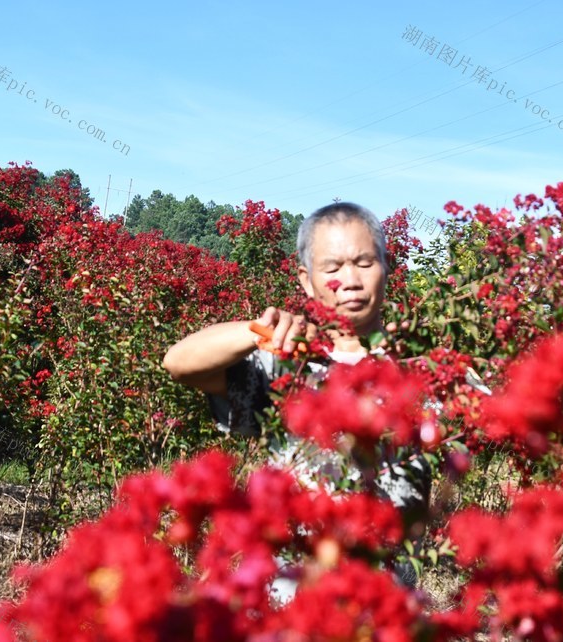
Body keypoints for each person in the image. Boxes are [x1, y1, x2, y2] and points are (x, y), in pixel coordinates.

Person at [162, 202, 430, 594]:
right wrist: (260, 332)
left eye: (364, 262)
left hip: (391, 604)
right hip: (296, 601)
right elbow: (179, 363)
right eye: (333, 268)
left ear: (386, 265)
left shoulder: (422, 366)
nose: (350, 280)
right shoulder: (288, 365)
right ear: (307, 281)